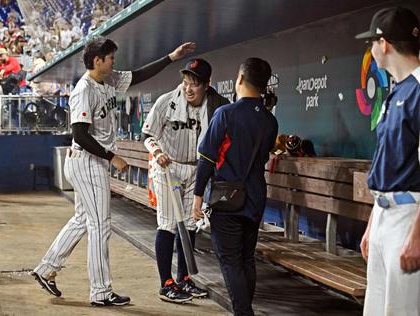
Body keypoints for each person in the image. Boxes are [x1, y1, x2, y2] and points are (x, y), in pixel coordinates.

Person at [31, 36, 195, 306]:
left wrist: (171, 57)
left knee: (84, 219)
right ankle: (100, 292)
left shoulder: (107, 79)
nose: (113, 62)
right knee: (100, 225)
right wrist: (112, 157)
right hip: (87, 160)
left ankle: (46, 268)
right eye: (110, 58)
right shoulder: (83, 90)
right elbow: (80, 135)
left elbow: (139, 75)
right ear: (98, 60)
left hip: (90, 161)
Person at [192, 57, 278, 316]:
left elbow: (207, 157)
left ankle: (243, 313)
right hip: (255, 196)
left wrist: (198, 195)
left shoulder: (225, 113)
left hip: (227, 198)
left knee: (230, 261)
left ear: (240, 79)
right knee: (246, 259)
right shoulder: (269, 120)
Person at [141, 58, 229, 303]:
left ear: (207, 84)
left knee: (190, 224)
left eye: (195, 83)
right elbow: (146, 135)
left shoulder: (216, 106)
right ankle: (165, 283)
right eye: (185, 81)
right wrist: (157, 152)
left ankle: (184, 278)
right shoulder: (166, 102)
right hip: (168, 168)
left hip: (196, 170)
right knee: (169, 223)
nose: (188, 88)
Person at [356, 7, 420, 316]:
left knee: (401, 310)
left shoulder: (419, 91)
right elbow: (386, 163)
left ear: (384, 43)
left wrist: (417, 236)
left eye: (371, 42)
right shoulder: (396, 91)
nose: (370, 49)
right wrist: (372, 223)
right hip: (384, 214)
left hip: (409, 217)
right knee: (376, 308)